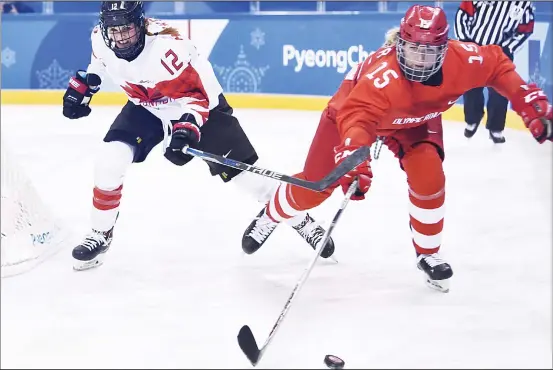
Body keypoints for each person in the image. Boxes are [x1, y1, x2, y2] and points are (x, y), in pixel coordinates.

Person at [242, 4, 552, 293]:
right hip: (350, 118)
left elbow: (497, 64)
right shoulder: (382, 78)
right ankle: (271, 213)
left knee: (430, 177)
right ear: (400, 44)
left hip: (415, 120)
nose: (419, 58)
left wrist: (526, 99)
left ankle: (428, 254)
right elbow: (356, 118)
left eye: (429, 51)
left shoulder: (464, 60)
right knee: (318, 185)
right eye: (413, 48)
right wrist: (354, 157)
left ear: (445, 50)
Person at [62, 1, 333, 271]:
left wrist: (185, 131)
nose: (120, 38)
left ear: (140, 24)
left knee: (251, 181)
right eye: (114, 30)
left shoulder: (167, 49)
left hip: (201, 108)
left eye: (126, 29)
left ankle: (300, 219)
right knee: (111, 159)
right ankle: (100, 233)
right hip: (147, 106)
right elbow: (99, 63)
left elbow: (195, 100)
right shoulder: (100, 37)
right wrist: (86, 86)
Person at [455, 1, 535, 143]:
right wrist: (465, 40)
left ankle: (496, 127)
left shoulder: (523, 3)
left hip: (501, 52)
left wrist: (509, 47)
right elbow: (463, 14)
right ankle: (473, 118)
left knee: (500, 92)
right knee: (471, 87)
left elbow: (525, 29)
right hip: (474, 46)